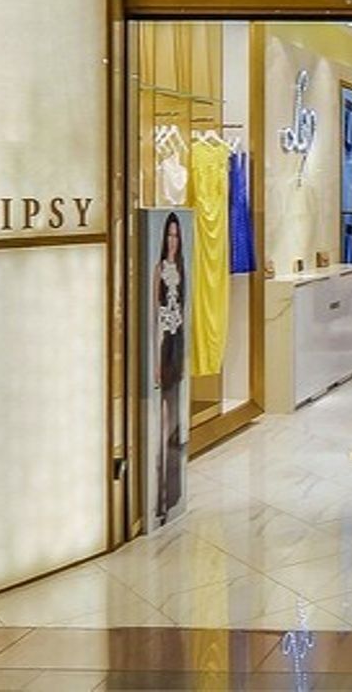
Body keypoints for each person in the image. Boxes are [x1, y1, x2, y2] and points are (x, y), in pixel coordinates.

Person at [153, 213, 188, 523]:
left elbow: (182, 315)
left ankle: (171, 493)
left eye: (176, 236)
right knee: (163, 421)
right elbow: (155, 317)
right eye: (169, 235)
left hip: (178, 344)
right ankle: (159, 497)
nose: (172, 241)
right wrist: (154, 360)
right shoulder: (159, 269)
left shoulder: (183, 269)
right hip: (164, 345)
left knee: (175, 419)